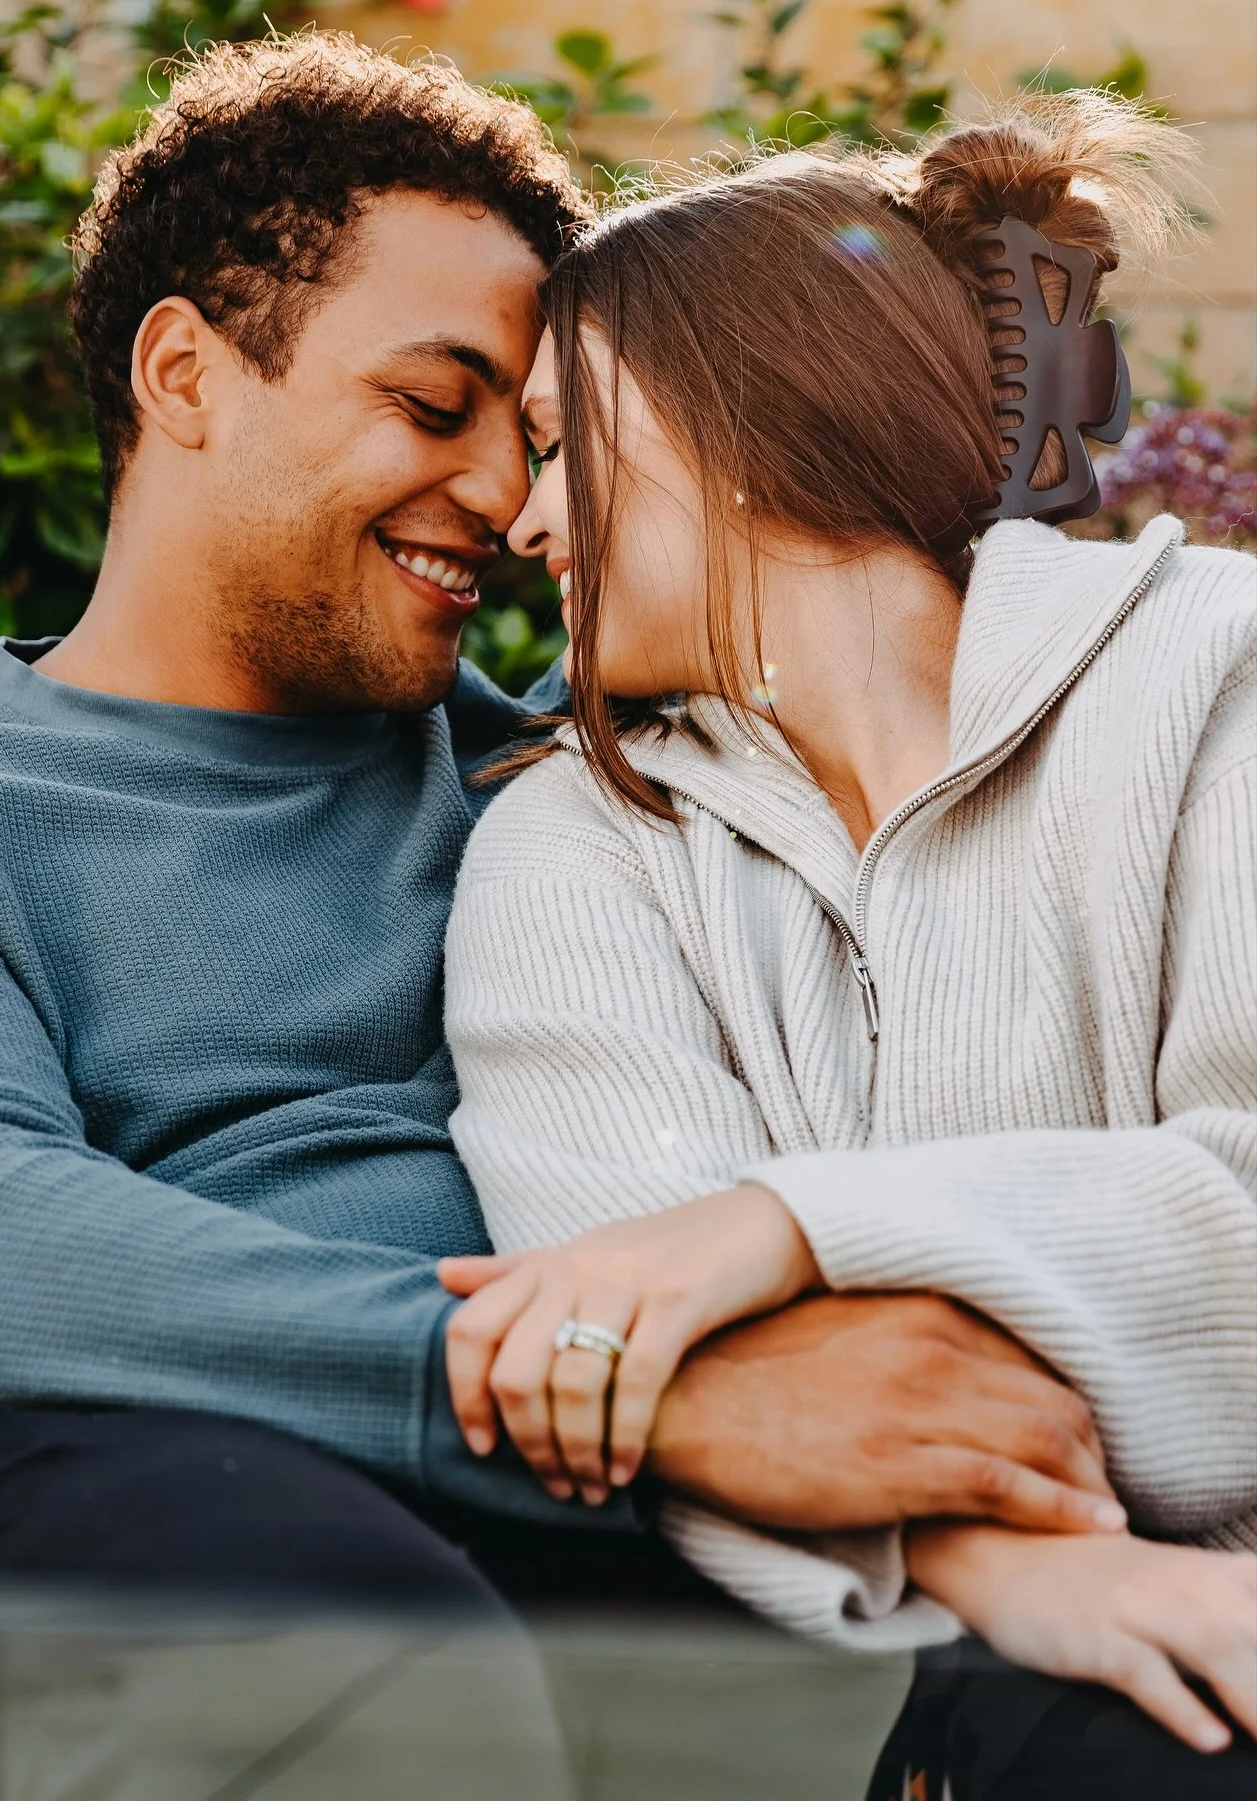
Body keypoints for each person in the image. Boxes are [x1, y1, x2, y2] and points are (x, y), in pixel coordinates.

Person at [0, 33, 1115, 1633]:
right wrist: (626, 1392)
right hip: (119, 1527)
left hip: (635, 1540)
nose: (508, 495)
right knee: (312, 1593)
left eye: (546, 436)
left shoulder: (591, 773)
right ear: (184, 375)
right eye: (435, 404)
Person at [439, 92, 1257, 1792]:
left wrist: (781, 1227)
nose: (524, 520)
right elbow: (624, 1346)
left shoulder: (1217, 674)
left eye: (560, 441)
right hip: (975, 1695)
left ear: (736, 409)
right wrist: (1012, 1567)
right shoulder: (571, 845)